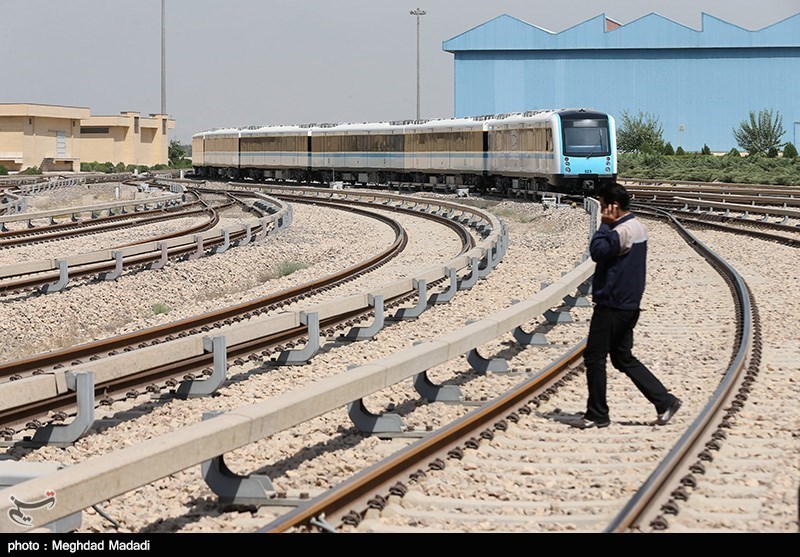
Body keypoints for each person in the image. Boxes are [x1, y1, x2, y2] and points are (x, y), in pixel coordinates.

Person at [571, 182, 682, 429]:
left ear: (614, 206)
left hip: (612, 303)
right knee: (622, 357)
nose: (600, 211)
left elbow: (597, 252)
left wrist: (603, 225)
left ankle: (597, 414)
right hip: (629, 303)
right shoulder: (637, 226)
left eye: (602, 206)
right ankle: (665, 401)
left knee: (594, 357)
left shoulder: (620, 231)